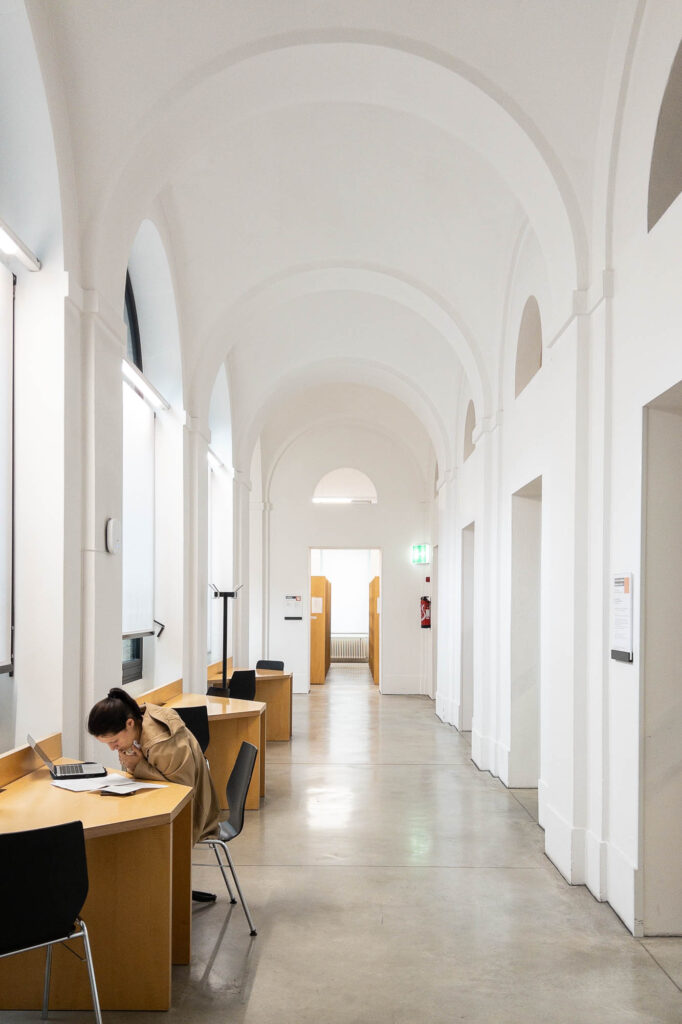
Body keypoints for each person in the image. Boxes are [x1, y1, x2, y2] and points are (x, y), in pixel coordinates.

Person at [88, 687, 220, 845]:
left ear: (129, 723)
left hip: (192, 817)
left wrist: (138, 766)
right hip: (188, 806)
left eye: (114, 741)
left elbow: (182, 792)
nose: (112, 748)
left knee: (123, 840)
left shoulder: (160, 743)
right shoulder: (142, 721)